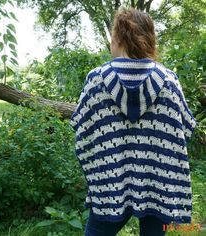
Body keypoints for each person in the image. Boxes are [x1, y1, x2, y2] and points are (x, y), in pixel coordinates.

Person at [69, 6, 197, 236]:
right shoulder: (169, 81)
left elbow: (82, 133)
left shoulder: (96, 80)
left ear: (118, 37)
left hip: (110, 182)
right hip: (157, 184)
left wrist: (106, 166)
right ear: (149, 38)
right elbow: (184, 132)